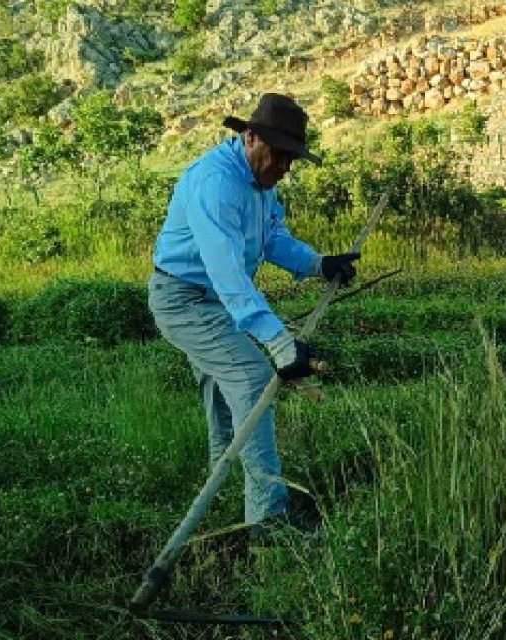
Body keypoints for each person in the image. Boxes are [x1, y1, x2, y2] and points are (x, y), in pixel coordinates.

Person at [148, 93, 360, 540]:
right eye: (281, 156)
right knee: (250, 378)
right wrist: (280, 344)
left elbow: (271, 240)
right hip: (184, 299)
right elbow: (228, 273)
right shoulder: (216, 183)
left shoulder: (262, 186)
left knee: (226, 392)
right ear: (251, 138)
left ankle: (220, 482)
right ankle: (268, 520)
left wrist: (318, 264)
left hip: (214, 299)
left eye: (292, 159)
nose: (286, 168)